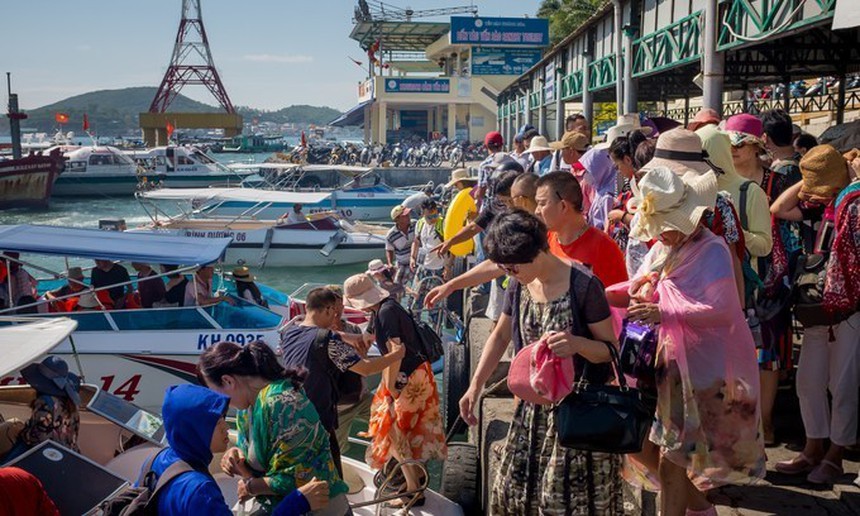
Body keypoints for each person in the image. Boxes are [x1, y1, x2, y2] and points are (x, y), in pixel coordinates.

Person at [615, 166, 765, 516]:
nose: (661, 235)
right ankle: (702, 510)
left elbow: (723, 311)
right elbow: (639, 284)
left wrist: (666, 312)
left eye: (666, 228)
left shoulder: (712, 251)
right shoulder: (662, 250)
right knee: (649, 447)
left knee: (672, 460)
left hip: (695, 372)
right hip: (661, 366)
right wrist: (624, 290)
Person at [459, 210, 623, 514]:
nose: (509, 273)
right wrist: (475, 386)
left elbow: (611, 351)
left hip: (577, 414)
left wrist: (577, 344)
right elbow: (500, 335)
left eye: (512, 267)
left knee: (563, 502)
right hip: (531, 413)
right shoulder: (520, 284)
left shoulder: (584, 285)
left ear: (535, 254)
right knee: (511, 493)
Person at [772, 145, 858, 484]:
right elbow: (779, 208)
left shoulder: (854, 204)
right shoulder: (823, 207)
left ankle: (835, 455)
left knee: (843, 384)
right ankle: (812, 448)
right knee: (808, 382)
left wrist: (847, 178)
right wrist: (811, 177)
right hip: (818, 306)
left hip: (851, 308)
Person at [197, 344, 345, 514]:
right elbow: (257, 454)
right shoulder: (246, 409)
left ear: (228, 381)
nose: (218, 403)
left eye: (214, 393)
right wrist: (237, 455)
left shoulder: (284, 405)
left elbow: (299, 477)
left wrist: (250, 487)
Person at [343, 273, 446, 509]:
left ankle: (413, 489)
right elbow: (365, 340)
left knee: (391, 427)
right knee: (405, 430)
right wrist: (336, 336)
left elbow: (395, 351)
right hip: (416, 374)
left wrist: (390, 388)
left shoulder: (385, 313)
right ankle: (416, 479)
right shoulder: (384, 309)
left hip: (407, 377)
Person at [724, 113, 795, 445]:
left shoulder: (776, 182)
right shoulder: (719, 182)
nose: (734, 150)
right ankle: (740, 423)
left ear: (756, 145)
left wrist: (737, 234)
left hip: (770, 280)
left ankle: (765, 422)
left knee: (767, 357)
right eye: (729, 144)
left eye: (739, 144)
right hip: (730, 280)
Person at [279, 287, 404, 475]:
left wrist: (360, 338)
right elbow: (366, 368)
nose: (335, 319)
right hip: (317, 420)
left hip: (290, 416)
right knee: (327, 476)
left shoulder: (289, 333)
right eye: (334, 313)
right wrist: (396, 355)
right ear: (328, 310)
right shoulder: (327, 340)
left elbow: (338, 336)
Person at [4, 357, 81, 461]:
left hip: (45, 457)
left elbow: (37, 438)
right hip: (67, 456)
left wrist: (23, 433)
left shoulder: (45, 401)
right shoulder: (72, 404)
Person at [411, 199, 446, 316]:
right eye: (429, 217)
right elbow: (416, 241)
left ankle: (435, 329)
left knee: (434, 304)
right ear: (422, 214)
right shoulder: (420, 224)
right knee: (415, 300)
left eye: (435, 215)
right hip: (422, 267)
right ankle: (414, 327)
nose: (433, 219)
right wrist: (412, 257)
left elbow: (451, 246)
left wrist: (448, 267)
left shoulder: (443, 223)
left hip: (438, 268)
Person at [579, 147, 618, 231]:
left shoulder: (607, 197)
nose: (585, 174)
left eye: (589, 171)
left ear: (600, 170)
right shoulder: (599, 190)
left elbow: (608, 229)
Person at [385, 205, 415, 289]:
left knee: (417, 284)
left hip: (415, 262)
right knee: (397, 286)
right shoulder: (391, 235)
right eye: (405, 216)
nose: (408, 217)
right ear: (397, 219)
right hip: (401, 262)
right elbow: (389, 249)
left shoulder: (415, 224)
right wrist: (390, 263)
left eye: (408, 215)